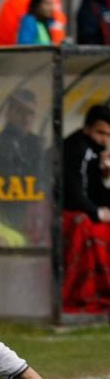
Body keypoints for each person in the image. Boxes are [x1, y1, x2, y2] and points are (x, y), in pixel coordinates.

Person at [62, 105, 110, 312]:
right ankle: (82, 292)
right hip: (62, 212)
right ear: (87, 129)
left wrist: (107, 177)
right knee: (84, 225)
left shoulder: (97, 154)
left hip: (83, 209)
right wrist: (96, 212)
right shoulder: (75, 148)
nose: (104, 139)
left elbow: (97, 191)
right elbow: (72, 191)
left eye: (108, 135)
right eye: (100, 132)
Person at [0, 89, 45, 233]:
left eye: (31, 113)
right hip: (13, 210)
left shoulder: (35, 143)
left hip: (34, 211)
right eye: (21, 112)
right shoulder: (2, 144)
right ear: (9, 114)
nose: (27, 119)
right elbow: (4, 183)